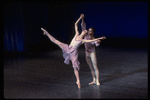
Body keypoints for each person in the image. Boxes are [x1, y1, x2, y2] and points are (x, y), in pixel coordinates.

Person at [41, 14, 105, 89]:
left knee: (75, 67)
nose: (85, 31)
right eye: (84, 30)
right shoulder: (77, 33)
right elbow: (75, 24)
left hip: (74, 52)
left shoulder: (82, 40)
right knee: (56, 41)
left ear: (85, 34)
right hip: (68, 48)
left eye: (85, 31)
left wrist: (99, 38)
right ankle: (46, 33)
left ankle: (78, 81)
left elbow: (90, 40)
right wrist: (80, 18)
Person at [81, 15, 106, 85]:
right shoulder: (85, 36)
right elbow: (83, 26)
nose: (89, 32)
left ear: (93, 32)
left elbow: (96, 44)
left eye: (90, 31)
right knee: (90, 67)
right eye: (88, 30)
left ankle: (97, 80)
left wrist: (98, 42)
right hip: (87, 53)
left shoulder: (94, 39)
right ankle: (94, 80)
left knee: (95, 66)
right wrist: (82, 19)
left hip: (92, 53)